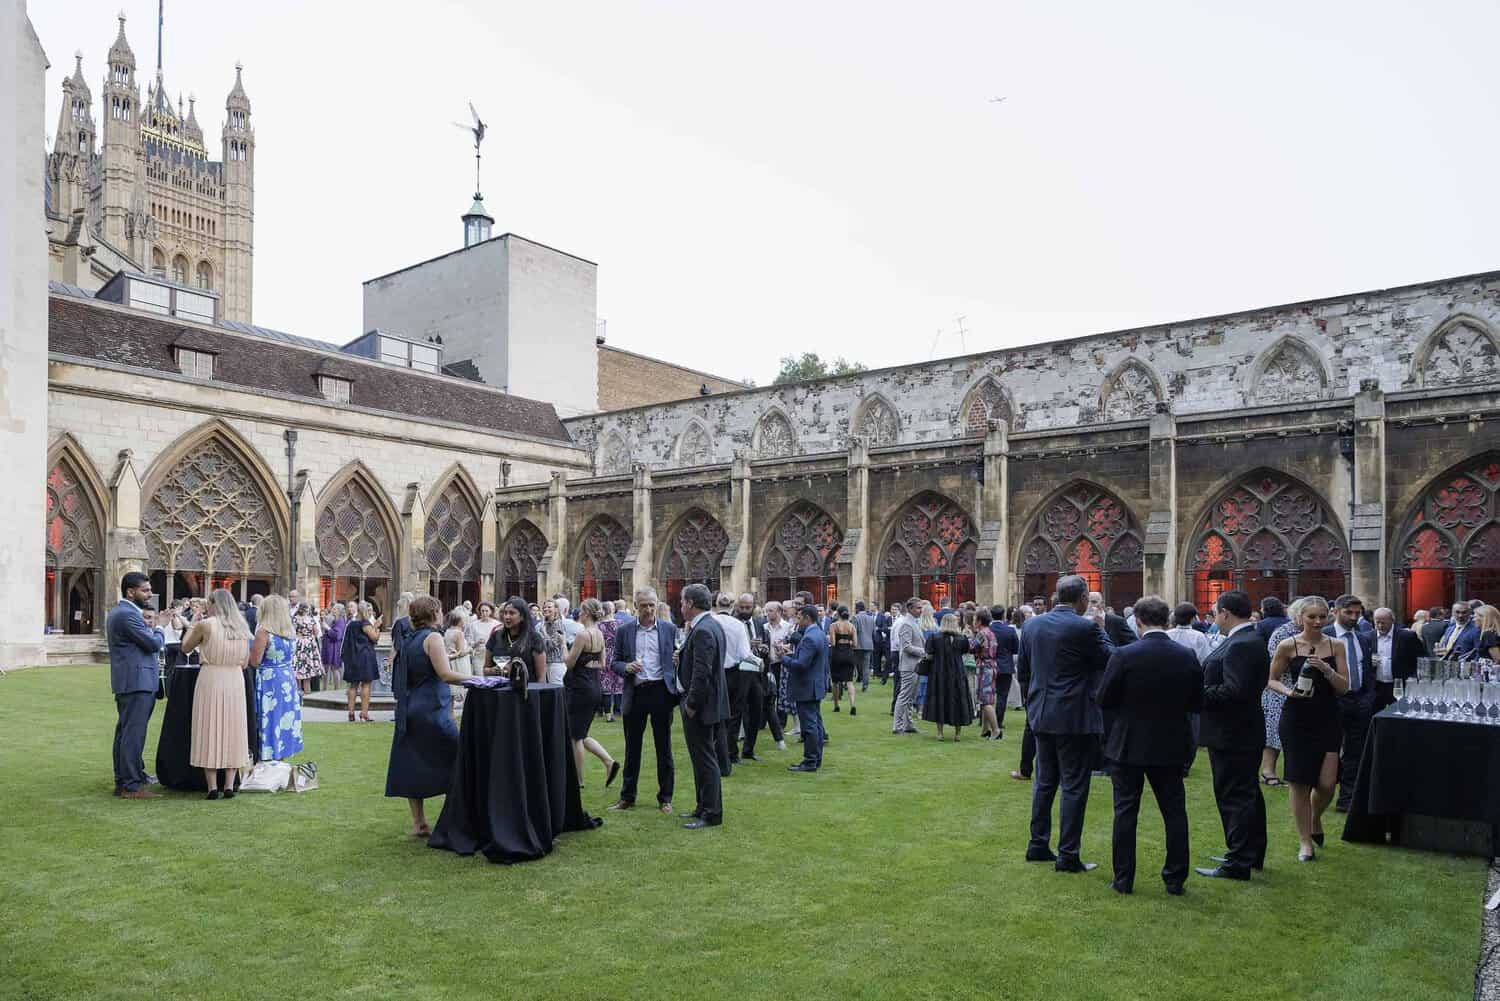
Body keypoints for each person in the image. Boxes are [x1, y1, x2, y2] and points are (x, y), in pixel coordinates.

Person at [1096, 596, 1201, 895]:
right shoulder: (1185, 655)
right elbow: (1197, 702)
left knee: (1126, 811)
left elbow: (1104, 698)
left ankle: (1123, 878)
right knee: (1174, 812)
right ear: (1166, 620)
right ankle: (1175, 878)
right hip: (1171, 742)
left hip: (1129, 742)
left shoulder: (1125, 656)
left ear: (1138, 621)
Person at [1019, 574, 1114, 872]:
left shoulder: (1032, 624)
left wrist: (1033, 703)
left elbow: (1024, 671)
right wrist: (1102, 629)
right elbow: (1112, 660)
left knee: (1044, 782)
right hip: (1074, 717)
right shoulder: (1086, 627)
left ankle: (1037, 845)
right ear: (1083, 598)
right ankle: (1068, 855)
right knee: (1073, 786)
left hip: (1041, 713)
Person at [1194, 590, 1270, 881]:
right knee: (1246, 792)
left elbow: (1234, 690)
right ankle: (1248, 852)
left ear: (1225, 613)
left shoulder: (1242, 644)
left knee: (1233, 795)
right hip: (1239, 730)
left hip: (1233, 732)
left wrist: (1199, 694)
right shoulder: (1245, 640)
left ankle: (1238, 859)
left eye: (1215, 612)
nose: (1214, 617)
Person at [1269, 595, 1350, 861]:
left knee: (1327, 784)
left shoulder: (1336, 645)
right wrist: (1289, 692)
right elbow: (1272, 679)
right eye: (1311, 617)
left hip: (1328, 717)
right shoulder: (1287, 645)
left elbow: (1344, 687)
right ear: (1299, 618)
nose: (1317, 621)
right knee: (1299, 781)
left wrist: (1327, 670)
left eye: (1322, 616)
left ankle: (1315, 818)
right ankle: (1305, 842)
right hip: (1296, 718)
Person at [385, 595, 463, 838]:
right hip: (432, 709)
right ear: (434, 613)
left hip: (410, 709)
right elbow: (446, 675)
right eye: (440, 610)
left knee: (413, 763)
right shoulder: (434, 637)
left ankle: (419, 822)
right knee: (459, 758)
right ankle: (455, 819)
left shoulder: (409, 639)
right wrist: (478, 679)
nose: (442, 614)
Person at [609, 588, 680, 814]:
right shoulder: (625, 630)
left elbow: (676, 657)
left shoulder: (669, 629)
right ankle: (627, 796)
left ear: (657, 604)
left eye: (652, 605)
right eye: (644, 605)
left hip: (661, 692)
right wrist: (626, 667)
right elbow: (615, 662)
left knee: (664, 748)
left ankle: (665, 798)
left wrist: (677, 659)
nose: (649, 610)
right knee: (632, 748)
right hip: (636, 692)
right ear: (635, 606)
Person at [182, 588, 253, 800]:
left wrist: (193, 622)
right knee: (233, 729)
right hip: (234, 679)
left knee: (209, 726)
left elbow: (185, 647)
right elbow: (246, 661)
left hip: (211, 677)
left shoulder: (206, 624)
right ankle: (229, 785)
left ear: (213, 604)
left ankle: (213, 787)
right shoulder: (241, 626)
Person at [106, 572, 165, 799]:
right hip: (136, 682)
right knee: (133, 734)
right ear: (131, 591)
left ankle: (125, 780)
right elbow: (152, 644)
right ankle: (131, 786)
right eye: (146, 590)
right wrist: (160, 627)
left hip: (133, 681)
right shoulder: (126, 615)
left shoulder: (124, 613)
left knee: (125, 733)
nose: (150, 594)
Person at [676, 584, 728, 829]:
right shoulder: (709, 626)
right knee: (701, 757)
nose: (681, 606)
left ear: (691, 604)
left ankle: (711, 812)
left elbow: (702, 673)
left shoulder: (704, 629)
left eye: (682, 602)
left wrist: (691, 704)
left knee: (705, 758)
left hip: (701, 706)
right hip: (706, 703)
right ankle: (702, 806)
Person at [1326, 594, 1377, 812]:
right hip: (1333, 702)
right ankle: (1320, 794)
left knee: (1355, 752)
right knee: (1329, 751)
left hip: (1359, 701)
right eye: (1349, 612)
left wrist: (1368, 697)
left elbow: (1366, 670)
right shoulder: (1325, 636)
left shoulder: (1363, 638)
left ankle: (1347, 799)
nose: (1354, 617)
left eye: (1358, 613)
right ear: (1335, 612)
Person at [564, 598, 621, 789]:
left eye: (581, 611)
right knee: (581, 733)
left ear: (586, 613)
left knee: (575, 737)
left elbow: (569, 663)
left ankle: (578, 780)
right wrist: (589, 664)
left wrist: (562, 645)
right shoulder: (599, 634)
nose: (579, 614)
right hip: (594, 686)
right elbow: (602, 664)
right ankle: (608, 762)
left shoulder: (583, 635)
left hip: (580, 688)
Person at [249, 595, 304, 762]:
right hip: (287, 677)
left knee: (269, 717)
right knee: (283, 716)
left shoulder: (264, 632)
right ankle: (281, 757)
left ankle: (267, 757)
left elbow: (255, 661)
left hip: (269, 679)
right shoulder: (289, 632)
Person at [782, 604, 830, 772]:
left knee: (809, 726)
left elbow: (801, 665)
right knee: (815, 724)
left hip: (806, 687)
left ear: (807, 618)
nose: (797, 620)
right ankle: (815, 759)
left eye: (799, 617)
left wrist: (784, 658)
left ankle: (810, 761)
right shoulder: (819, 633)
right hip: (814, 685)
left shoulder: (810, 637)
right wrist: (791, 655)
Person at [735, 593, 779, 760]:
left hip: (757, 673)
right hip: (739, 673)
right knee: (737, 713)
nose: (745, 610)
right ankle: (732, 753)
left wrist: (765, 650)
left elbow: (765, 643)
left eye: (748, 607)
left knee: (756, 713)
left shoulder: (760, 623)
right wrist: (748, 644)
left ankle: (748, 750)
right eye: (742, 607)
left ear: (754, 607)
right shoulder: (735, 624)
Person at [924, 612, 976, 741]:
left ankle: (940, 733)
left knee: (940, 700)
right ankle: (957, 734)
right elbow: (965, 651)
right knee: (958, 699)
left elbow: (929, 653)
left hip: (939, 672)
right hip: (957, 672)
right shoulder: (962, 638)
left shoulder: (934, 637)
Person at [484, 596, 548, 683]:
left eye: (512, 613)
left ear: (522, 616)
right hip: (499, 691)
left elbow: (541, 677)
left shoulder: (534, 638)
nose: (506, 617)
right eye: (505, 613)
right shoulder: (496, 636)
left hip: (526, 691)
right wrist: (494, 670)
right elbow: (485, 670)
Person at [1371, 606, 1423, 711]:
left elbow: (1420, 659)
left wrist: (1412, 680)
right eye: (1377, 623)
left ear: (1392, 621)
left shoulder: (1407, 636)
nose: (1380, 626)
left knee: (1400, 714)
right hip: (1376, 687)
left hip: (1399, 686)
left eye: (1384, 623)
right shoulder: (1367, 637)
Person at [341, 602, 382, 722]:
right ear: (365, 611)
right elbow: (374, 637)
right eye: (369, 611)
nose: (370, 613)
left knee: (353, 685)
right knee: (366, 684)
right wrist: (377, 627)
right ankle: (364, 713)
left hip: (352, 657)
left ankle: (351, 712)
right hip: (364, 657)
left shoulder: (351, 624)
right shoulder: (365, 623)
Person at [891, 598, 925, 735]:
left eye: (921, 608)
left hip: (915, 665)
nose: (921, 610)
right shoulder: (906, 623)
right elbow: (906, 646)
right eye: (918, 608)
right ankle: (897, 726)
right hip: (909, 665)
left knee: (911, 696)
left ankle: (908, 724)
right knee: (904, 696)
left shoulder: (913, 622)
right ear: (910, 608)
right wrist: (924, 652)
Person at [972, 608, 1002, 739]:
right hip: (993, 666)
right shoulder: (991, 633)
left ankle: (996, 730)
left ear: (979, 621)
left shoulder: (981, 634)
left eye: (974, 619)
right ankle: (985, 729)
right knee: (987, 698)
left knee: (985, 700)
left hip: (984, 667)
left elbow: (972, 647)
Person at [828, 606, 859, 715]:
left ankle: (836, 706)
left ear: (838, 614)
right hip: (849, 654)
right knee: (849, 681)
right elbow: (855, 644)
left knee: (835, 682)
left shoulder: (833, 625)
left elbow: (833, 643)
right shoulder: (852, 626)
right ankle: (853, 705)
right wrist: (849, 643)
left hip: (837, 654)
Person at [290, 601, 323, 694]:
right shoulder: (311, 619)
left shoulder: (294, 619)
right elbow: (316, 632)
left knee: (297, 667)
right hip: (309, 643)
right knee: (308, 669)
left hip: (298, 642)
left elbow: (292, 632)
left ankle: (297, 692)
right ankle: (307, 693)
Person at [598, 609, 623, 723]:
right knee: (618, 683)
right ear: (612, 610)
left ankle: (606, 713)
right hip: (617, 655)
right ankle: (618, 710)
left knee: (605, 686)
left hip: (603, 655)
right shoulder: (620, 624)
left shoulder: (599, 626)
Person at [541, 599, 569, 685]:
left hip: (556, 664)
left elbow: (552, 645)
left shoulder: (557, 624)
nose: (546, 609)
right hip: (549, 663)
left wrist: (544, 633)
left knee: (557, 691)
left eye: (549, 607)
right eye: (544, 607)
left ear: (556, 609)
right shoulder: (547, 623)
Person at [443, 610, 472, 676]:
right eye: (464, 619)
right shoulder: (459, 633)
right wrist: (470, 649)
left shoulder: (448, 631)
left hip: (451, 662)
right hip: (460, 663)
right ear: (459, 620)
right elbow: (460, 653)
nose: (466, 621)